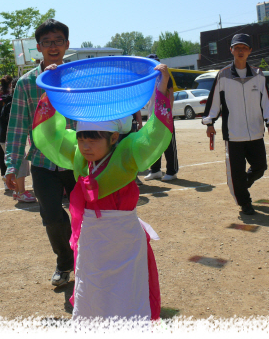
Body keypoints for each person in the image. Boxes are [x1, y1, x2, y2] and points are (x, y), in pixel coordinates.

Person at [32, 63, 173, 321]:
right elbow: (48, 135)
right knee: (93, 291)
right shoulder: (77, 156)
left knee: (126, 295)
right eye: (82, 137)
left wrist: (161, 89)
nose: (85, 145)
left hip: (125, 242)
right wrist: (49, 93)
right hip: (92, 242)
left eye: (93, 138)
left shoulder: (128, 155)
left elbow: (155, 134)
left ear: (114, 138)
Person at [5, 19, 76, 286]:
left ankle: (90, 261)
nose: (53, 46)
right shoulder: (26, 83)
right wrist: (12, 165)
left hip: (78, 159)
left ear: (67, 44)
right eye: (47, 42)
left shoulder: (78, 78)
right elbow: (16, 128)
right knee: (52, 217)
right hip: (43, 162)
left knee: (89, 211)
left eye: (58, 40)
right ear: (38, 48)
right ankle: (64, 262)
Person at [202, 34, 269, 215]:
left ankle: (242, 184)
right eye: (237, 48)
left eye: (244, 47)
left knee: (260, 167)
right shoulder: (223, 75)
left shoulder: (259, 75)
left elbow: (266, 101)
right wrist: (209, 122)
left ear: (250, 50)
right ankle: (245, 203)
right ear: (231, 50)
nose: (241, 51)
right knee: (236, 173)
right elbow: (214, 102)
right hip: (234, 134)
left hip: (255, 132)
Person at [0, 75, 36, 201]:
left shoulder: (8, 101)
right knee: (19, 162)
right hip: (10, 139)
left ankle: (17, 192)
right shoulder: (14, 103)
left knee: (17, 162)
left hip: (3, 138)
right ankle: (21, 192)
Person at [143, 54, 179, 182]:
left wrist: (169, 112)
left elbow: (170, 95)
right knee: (154, 144)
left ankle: (172, 171)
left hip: (164, 116)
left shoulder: (165, 77)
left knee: (169, 144)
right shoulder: (149, 78)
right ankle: (155, 170)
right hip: (152, 115)